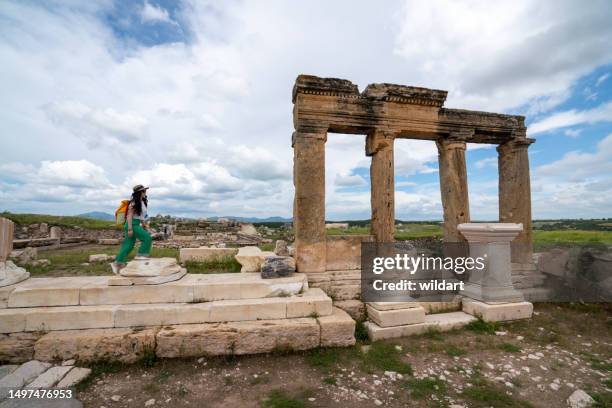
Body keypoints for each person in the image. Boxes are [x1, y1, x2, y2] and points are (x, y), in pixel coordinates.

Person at [111, 184, 153, 274]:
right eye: (143, 191)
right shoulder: (134, 202)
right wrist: (130, 229)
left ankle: (118, 264)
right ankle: (141, 259)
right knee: (147, 238)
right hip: (132, 224)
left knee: (128, 245)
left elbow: (141, 216)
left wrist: (144, 225)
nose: (145, 193)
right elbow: (129, 216)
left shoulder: (142, 202)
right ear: (139, 193)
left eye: (145, 191)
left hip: (136, 223)